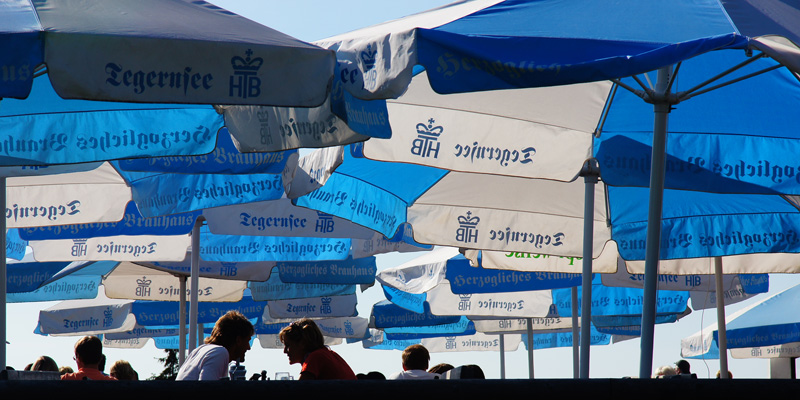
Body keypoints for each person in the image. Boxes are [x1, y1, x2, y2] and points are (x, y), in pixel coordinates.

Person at [176, 310, 254, 381]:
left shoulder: (199, 351)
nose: (248, 347)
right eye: (247, 341)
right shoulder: (219, 353)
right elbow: (209, 389)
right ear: (238, 340)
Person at [279, 318, 356, 380]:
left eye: (288, 346)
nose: (285, 351)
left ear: (302, 343)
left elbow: (298, 390)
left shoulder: (315, 357)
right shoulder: (329, 354)